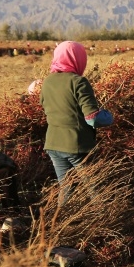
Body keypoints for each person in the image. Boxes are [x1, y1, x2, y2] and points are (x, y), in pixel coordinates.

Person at [40, 41, 113, 183]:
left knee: (66, 189)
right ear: (78, 58)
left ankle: (64, 207)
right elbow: (93, 118)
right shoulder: (78, 82)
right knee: (95, 188)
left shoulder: (47, 81)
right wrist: (109, 116)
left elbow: (45, 107)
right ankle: (101, 207)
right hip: (76, 144)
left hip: (53, 144)